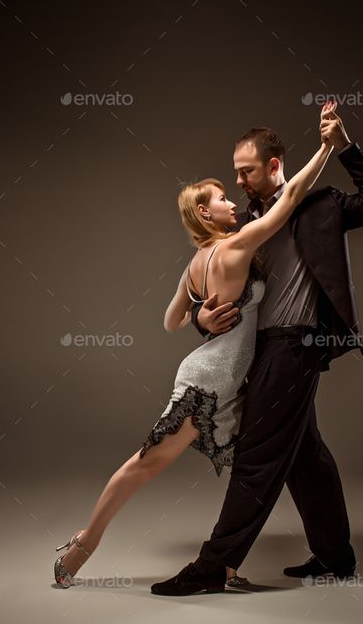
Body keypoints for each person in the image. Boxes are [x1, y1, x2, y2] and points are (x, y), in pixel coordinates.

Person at [53, 103, 335, 590]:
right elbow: (291, 199)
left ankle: (229, 563)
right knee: (145, 464)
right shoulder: (235, 246)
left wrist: (200, 314)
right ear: (206, 211)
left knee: (285, 448)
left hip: (220, 376)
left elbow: (169, 321)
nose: (234, 201)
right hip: (208, 383)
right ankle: (84, 544)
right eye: (223, 198)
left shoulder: (196, 263)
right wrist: (328, 147)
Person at [151, 105, 363, 596]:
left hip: (297, 344)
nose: (238, 180)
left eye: (246, 170)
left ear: (275, 164)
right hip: (258, 348)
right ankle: (336, 557)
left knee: (258, 454)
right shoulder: (244, 222)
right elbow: (208, 282)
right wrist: (199, 316)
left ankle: (212, 567)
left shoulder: (321, 203)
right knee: (306, 455)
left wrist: (342, 146)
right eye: (236, 172)